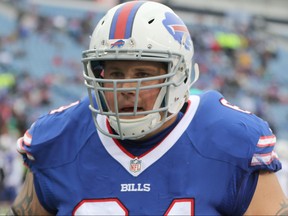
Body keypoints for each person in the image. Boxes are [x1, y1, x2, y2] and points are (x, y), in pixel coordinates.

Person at [8, 1, 288, 215]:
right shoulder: (59, 139)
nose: (127, 89)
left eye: (143, 74)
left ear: (179, 75)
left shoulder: (228, 140)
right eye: (115, 74)